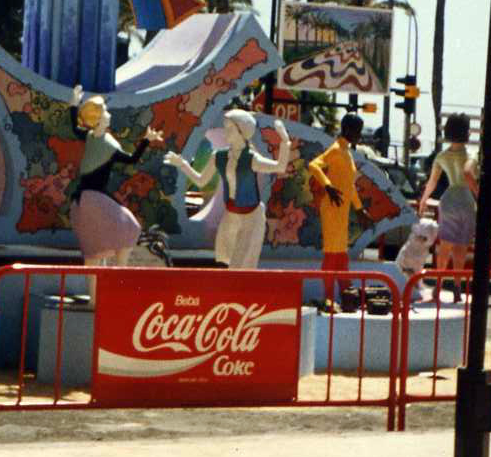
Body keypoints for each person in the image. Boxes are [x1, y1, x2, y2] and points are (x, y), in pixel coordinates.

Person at [67, 84, 164, 296]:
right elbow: (132, 159)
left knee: (96, 251)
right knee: (128, 228)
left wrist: (73, 104)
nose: (109, 115)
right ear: (98, 119)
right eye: (105, 111)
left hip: (85, 200)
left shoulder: (95, 138)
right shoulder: (103, 142)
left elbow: (75, 127)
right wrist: (146, 141)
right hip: (92, 200)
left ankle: (101, 294)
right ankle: (116, 283)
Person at [164, 109, 290, 268]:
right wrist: (182, 164)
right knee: (225, 259)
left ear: (242, 131)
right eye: (225, 127)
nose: (225, 131)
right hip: (231, 215)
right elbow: (201, 181)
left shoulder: (251, 158)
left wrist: (285, 141)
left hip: (251, 217)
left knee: (240, 264)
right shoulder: (219, 156)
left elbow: (280, 167)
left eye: (230, 128)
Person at [417, 114, 479, 300]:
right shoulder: (472, 154)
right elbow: (468, 173)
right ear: (466, 132)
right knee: (461, 247)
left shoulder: (442, 156)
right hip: (466, 200)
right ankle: (457, 288)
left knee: (444, 246)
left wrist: (423, 200)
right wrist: (478, 193)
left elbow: (432, 182)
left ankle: (439, 285)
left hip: (448, 199)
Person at [307, 113, 364, 310]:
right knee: (332, 254)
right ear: (347, 130)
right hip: (332, 209)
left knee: (341, 255)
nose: (359, 135)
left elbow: (349, 185)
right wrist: (328, 186)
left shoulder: (347, 152)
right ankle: (329, 298)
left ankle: (347, 294)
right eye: (357, 131)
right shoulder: (336, 149)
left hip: (342, 210)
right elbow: (314, 165)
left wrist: (359, 209)